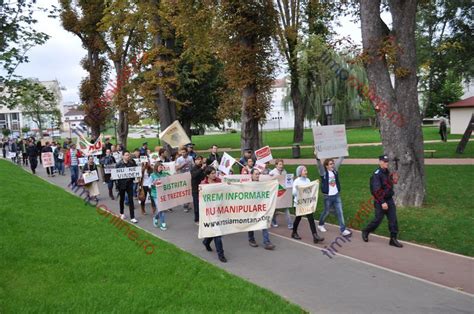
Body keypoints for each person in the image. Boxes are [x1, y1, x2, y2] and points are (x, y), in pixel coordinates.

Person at [362, 155, 403, 248]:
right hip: (380, 201)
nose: (386, 163)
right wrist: (382, 202)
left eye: (387, 161)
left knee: (393, 220)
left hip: (389, 199)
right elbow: (376, 191)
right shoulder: (377, 174)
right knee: (377, 220)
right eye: (384, 162)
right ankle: (366, 231)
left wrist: (393, 180)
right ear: (380, 162)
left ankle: (393, 239)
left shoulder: (387, 172)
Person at [316, 155, 352, 236]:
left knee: (340, 212)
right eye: (330, 164)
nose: (333, 165)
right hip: (327, 197)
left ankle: (343, 230)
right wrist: (317, 158)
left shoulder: (335, 171)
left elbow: (339, 162)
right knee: (326, 211)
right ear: (326, 166)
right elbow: (319, 166)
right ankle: (320, 225)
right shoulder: (324, 173)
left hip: (336, 195)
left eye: (333, 163)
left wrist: (343, 155)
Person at [291, 166, 325, 243]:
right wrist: (297, 189)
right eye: (304, 170)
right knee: (298, 219)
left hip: (306, 203)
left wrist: (315, 184)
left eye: (306, 170)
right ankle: (294, 232)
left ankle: (315, 236)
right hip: (298, 204)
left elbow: (310, 191)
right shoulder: (297, 181)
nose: (306, 172)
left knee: (311, 219)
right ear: (300, 172)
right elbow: (294, 193)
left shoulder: (308, 180)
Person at [201, 166, 227, 262]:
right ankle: (221, 254)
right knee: (217, 233)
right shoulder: (203, 184)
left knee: (215, 230)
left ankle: (206, 241)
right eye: (212, 173)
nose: (214, 174)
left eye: (214, 172)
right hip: (209, 212)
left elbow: (224, 190)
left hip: (219, 210)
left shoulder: (219, 181)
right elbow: (202, 198)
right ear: (207, 175)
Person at [248, 168, 275, 250]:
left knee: (264, 223)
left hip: (260, 208)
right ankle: (251, 239)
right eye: (255, 174)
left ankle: (266, 242)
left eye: (258, 174)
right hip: (251, 209)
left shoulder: (262, 185)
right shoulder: (247, 185)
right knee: (251, 224)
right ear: (251, 175)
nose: (257, 175)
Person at [269, 159, 293, 229]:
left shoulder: (285, 172)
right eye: (279, 164)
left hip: (283, 193)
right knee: (275, 210)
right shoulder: (272, 172)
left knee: (286, 208)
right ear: (276, 165)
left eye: (282, 164)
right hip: (276, 194)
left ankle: (290, 224)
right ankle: (273, 221)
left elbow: (287, 182)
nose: (281, 166)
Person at [116, 151, 138, 223]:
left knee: (130, 200)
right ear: (123, 156)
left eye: (128, 155)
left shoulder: (131, 163)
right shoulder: (119, 164)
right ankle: (121, 213)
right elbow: (115, 174)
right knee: (122, 199)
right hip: (121, 184)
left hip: (129, 184)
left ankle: (132, 217)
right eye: (126, 155)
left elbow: (135, 171)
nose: (127, 156)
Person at [151, 162, 170, 230]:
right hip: (155, 194)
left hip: (163, 193)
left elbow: (171, 178)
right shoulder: (152, 175)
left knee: (161, 209)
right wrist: (154, 183)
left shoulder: (164, 174)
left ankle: (155, 218)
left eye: (162, 167)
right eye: (159, 167)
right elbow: (149, 184)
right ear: (156, 167)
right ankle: (163, 223)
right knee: (161, 208)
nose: (161, 168)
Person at [176, 145, 194, 212]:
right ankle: (185, 206)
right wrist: (182, 165)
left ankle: (187, 204)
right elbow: (176, 168)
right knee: (184, 191)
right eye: (182, 152)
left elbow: (193, 166)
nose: (183, 153)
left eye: (184, 152)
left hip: (189, 176)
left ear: (187, 152)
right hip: (182, 177)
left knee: (189, 191)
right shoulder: (179, 159)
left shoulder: (190, 158)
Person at [191, 156, 207, 224]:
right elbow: (194, 175)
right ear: (195, 161)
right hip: (195, 189)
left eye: (200, 159)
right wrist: (201, 169)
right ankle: (196, 219)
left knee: (203, 204)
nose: (199, 161)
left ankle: (203, 217)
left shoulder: (203, 168)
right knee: (196, 205)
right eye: (198, 160)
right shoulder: (193, 168)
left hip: (202, 188)